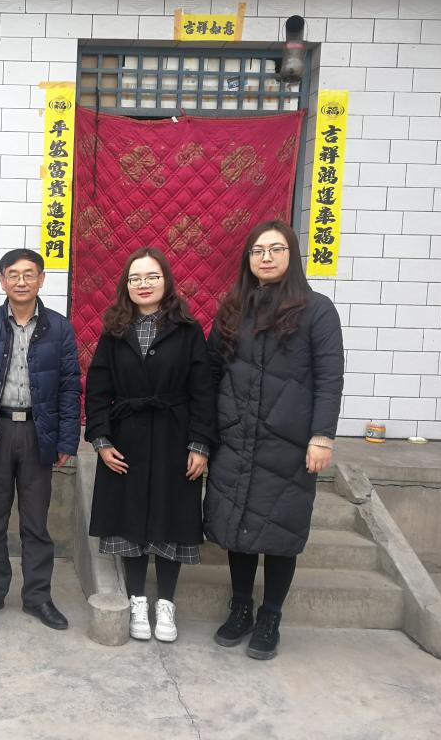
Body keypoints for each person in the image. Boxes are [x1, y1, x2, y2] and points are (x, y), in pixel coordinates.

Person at [204, 219, 344, 660]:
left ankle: (270, 617)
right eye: (258, 251)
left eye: (276, 249)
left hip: (289, 443)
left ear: (291, 255)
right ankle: (240, 608)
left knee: (282, 530)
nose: (266, 257)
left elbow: (329, 378)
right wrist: (206, 434)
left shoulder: (317, 310)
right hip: (235, 437)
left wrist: (322, 436)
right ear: (248, 259)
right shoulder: (232, 309)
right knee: (238, 528)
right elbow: (210, 371)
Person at [85, 247, 215, 644]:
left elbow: (203, 391)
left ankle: (167, 604)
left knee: (171, 520)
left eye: (151, 277)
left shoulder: (187, 330)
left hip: (176, 437)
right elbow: (97, 389)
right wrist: (101, 440)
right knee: (130, 522)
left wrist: (200, 444)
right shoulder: (114, 330)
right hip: (127, 438)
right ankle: (138, 599)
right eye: (135, 278)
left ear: (166, 281)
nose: (143, 284)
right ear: (126, 285)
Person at [0, 249, 81, 630]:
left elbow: (69, 387)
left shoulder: (59, 328)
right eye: (13, 274)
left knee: (35, 523)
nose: (21, 281)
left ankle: (38, 597)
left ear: (42, 279)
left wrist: (66, 441)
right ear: (2, 281)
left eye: (29, 274)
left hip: (37, 432)